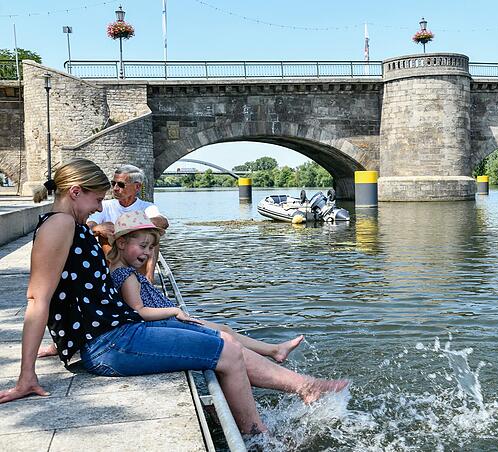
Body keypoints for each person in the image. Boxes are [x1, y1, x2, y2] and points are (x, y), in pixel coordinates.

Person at [0, 158, 348, 437]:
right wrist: (26, 375)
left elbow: (74, 292)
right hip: (106, 343)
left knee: (220, 337)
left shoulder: (69, 224)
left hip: (117, 332)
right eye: (96, 198)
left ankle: (302, 391)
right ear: (76, 192)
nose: (99, 207)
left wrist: (60, 342)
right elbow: (38, 299)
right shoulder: (59, 225)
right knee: (225, 350)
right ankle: (259, 437)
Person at [108, 210, 303, 363]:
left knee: (225, 330)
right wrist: (173, 311)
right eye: (143, 246)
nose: (148, 253)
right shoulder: (127, 276)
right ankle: (274, 351)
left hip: (168, 323)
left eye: (151, 247)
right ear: (122, 243)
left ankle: (273, 351)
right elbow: (139, 311)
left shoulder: (118, 270)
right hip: (168, 323)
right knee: (225, 334)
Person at [88, 164, 168, 283]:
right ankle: (117, 277)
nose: (115, 188)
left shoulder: (147, 207)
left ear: (137, 187)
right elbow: (89, 226)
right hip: (114, 259)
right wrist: (98, 228)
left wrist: (128, 227)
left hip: (137, 262)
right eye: (113, 183)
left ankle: (148, 278)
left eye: (121, 185)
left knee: (152, 232)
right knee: (105, 229)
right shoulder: (105, 206)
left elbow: (163, 222)